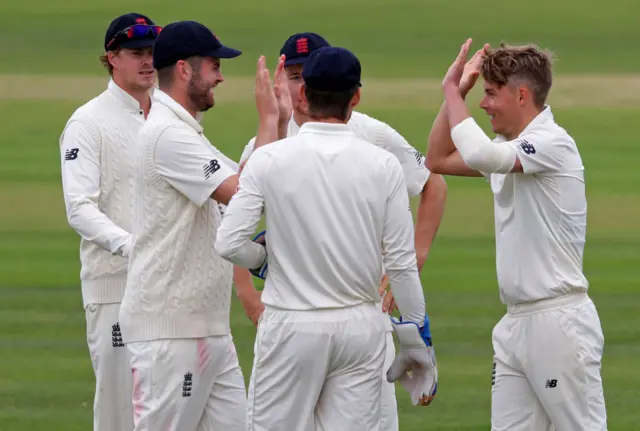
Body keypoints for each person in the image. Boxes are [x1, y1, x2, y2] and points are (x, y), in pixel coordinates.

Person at [215, 46, 438, 431]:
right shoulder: (382, 163)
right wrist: (418, 340)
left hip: (291, 326)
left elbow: (228, 243)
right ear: (355, 97)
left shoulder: (268, 159)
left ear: (303, 95)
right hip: (361, 331)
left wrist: (263, 261)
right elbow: (401, 263)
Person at [426, 39, 607, 430]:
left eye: (490, 93)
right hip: (515, 325)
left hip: (558, 323)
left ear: (521, 94)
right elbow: (437, 158)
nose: (483, 103)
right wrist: (456, 93)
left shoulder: (552, 143)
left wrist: (448, 90)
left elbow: (478, 157)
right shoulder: (507, 149)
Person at [117, 20, 284, 430]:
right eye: (213, 65)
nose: (221, 76)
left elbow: (247, 179)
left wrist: (278, 122)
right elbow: (249, 193)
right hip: (169, 333)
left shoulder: (185, 131)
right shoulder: (167, 136)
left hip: (206, 327)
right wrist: (267, 120)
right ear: (185, 70)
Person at [58, 12, 160, 431]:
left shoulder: (169, 116)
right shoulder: (88, 122)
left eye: (153, 52)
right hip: (115, 285)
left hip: (167, 287)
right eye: (136, 53)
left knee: (166, 407)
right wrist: (133, 246)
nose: (148, 61)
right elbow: (80, 208)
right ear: (111, 58)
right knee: (121, 411)